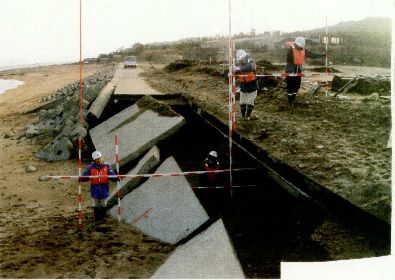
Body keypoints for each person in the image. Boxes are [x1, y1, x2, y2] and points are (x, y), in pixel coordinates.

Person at [79, 151, 119, 222]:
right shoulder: (91, 167)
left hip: (104, 187)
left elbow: (111, 174)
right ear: (94, 160)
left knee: (103, 203)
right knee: (96, 204)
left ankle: (103, 218)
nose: (99, 160)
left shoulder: (106, 166)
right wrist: (81, 178)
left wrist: (116, 177)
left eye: (100, 158)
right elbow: (86, 174)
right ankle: (97, 219)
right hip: (95, 188)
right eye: (97, 159)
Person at [285, 36, 326, 106]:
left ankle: (293, 99)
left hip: (298, 70)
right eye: (300, 46)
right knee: (290, 86)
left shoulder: (303, 50)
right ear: (296, 44)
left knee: (297, 85)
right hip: (291, 70)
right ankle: (290, 101)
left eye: (302, 46)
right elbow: (289, 60)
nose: (301, 47)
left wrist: (322, 55)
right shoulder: (291, 50)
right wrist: (292, 68)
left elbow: (312, 55)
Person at [234, 49, 258, 120]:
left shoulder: (251, 61)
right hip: (243, 85)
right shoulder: (238, 62)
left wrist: (239, 68)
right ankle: (243, 116)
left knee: (250, 101)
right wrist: (232, 71)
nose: (241, 60)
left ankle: (247, 116)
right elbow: (237, 71)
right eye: (240, 59)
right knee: (242, 102)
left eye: (242, 59)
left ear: (244, 57)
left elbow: (250, 67)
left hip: (252, 84)